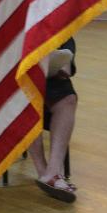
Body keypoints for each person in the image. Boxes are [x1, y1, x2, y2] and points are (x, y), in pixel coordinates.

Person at [29, 38, 79, 202]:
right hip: (18, 77)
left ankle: (54, 170)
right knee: (27, 99)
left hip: (50, 73)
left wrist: (65, 64)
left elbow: (66, 40)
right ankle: (43, 171)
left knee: (68, 99)